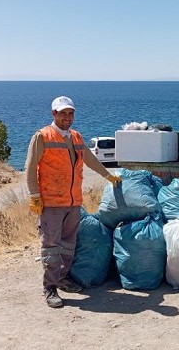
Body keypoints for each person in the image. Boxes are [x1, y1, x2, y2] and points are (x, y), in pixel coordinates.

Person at [25, 95, 122, 308]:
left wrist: (108, 176)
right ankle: (49, 288)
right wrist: (34, 196)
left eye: (70, 113)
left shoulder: (76, 137)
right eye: (63, 113)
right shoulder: (42, 136)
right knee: (51, 247)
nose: (67, 117)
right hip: (50, 203)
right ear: (54, 114)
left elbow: (90, 159)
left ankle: (62, 278)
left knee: (69, 245)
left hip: (72, 202)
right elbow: (30, 168)